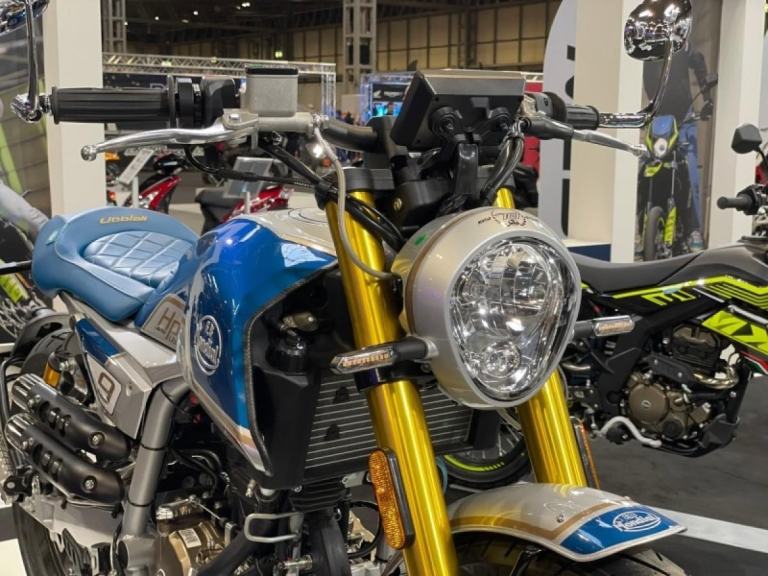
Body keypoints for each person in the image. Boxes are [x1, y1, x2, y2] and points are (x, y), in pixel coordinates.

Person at [642, 43, 716, 253]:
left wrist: (707, 97)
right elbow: (647, 82)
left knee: (690, 169)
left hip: (684, 116)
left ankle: (694, 229)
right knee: (645, 163)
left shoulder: (681, 45)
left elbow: (698, 60)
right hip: (659, 116)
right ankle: (642, 224)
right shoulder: (648, 48)